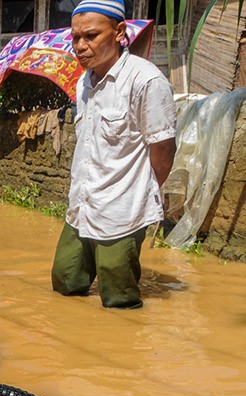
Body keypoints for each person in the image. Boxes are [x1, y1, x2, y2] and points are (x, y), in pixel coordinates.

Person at [51, 0, 177, 309]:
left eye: (91, 36)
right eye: (75, 37)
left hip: (122, 210)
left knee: (118, 301)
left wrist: (141, 195)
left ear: (119, 32)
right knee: (65, 281)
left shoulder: (145, 80)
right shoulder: (84, 82)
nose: (80, 46)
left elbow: (163, 150)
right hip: (83, 204)